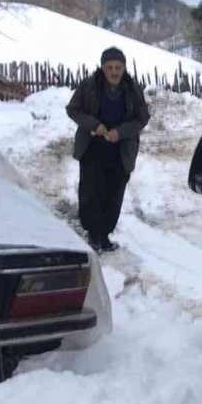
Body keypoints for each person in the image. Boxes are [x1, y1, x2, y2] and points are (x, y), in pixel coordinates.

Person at [66, 47, 150, 252]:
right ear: (102, 67)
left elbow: (142, 117)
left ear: (124, 68)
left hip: (121, 150)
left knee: (114, 193)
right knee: (92, 192)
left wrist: (120, 132)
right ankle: (93, 234)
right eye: (109, 67)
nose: (114, 72)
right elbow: (73, 109)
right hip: (93, 147)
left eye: (118, 67)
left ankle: (104, 235)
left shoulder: (132, 88)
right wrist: (94, 125)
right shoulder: (89, 85)